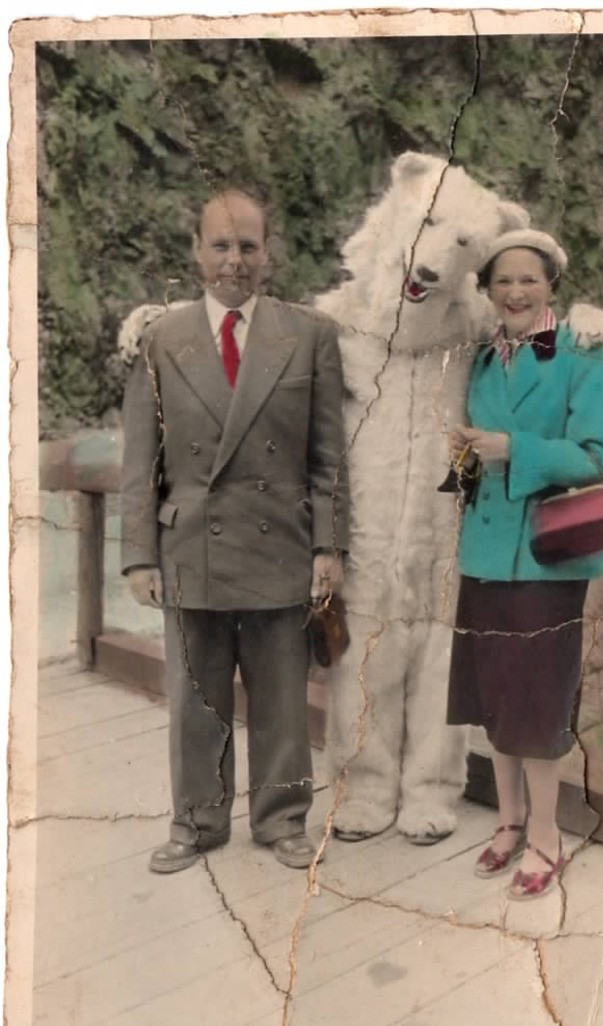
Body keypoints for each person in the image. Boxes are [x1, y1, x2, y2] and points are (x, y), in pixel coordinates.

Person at [121, 188, 349, 874]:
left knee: (281, 694)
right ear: (197, 252)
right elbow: (141, 460)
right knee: (196, 699)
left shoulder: (308, 334)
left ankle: (282, 821)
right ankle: (196, 821)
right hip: (191, 543)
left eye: (248, 245)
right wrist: (138, 556)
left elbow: (327, 457)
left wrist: (328, 546)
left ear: (268, 253)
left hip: (280, 538)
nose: (235, 260)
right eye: (220, 245)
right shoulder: (160, 338)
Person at [447, 228, 603, 900]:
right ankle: (509, 818)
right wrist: (469, 454)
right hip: (486, 553)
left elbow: (599, 456)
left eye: (530, 280)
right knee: (495, 695)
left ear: (551, 284)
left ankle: (547, 836)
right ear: (487, 292)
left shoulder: (583, 352)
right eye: (502, 282)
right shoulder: (485, 359)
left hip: (547, 558)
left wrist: (510, 446)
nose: (516, 292)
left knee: (539, 698)